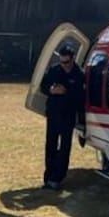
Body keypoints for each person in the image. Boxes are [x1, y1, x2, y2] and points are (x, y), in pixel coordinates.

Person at [39, 46, 84, 190]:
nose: (64, 65)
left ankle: (58, 177)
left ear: (72, 59)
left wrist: (66, 91)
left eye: (66, 62)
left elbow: (80, 97)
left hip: (68, 115)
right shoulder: (54, 70)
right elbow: (43, 86)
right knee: (50, 145)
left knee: (65, 147)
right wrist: (51, 90)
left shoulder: (79, 74)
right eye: (62, 62)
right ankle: (48, 177)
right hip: (53, 113)